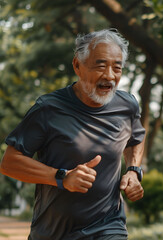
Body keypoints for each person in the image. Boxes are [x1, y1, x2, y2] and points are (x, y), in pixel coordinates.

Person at [0, 29, 146, 240]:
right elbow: (9, 163)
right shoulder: (48, 108)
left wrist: (133, 171)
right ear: (77, 65)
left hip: (108, 225)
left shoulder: (127, 106)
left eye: (117, 67)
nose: (110, 75)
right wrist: (62, 177)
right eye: (100, 65)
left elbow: (135, 139)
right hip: (53, 232)